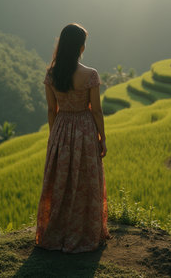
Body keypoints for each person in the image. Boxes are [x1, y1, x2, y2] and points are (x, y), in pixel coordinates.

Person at [35, 23, 109, 253]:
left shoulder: (51, 74)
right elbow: (96, 110)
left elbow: (51, 109)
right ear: (80, 47)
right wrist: (102, 137)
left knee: (61, 182)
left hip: (60, 128)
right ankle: (85, 231)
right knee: (85, 182)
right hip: (85, 130)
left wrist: (54, 135)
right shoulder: (90, 75)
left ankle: (57, 231)